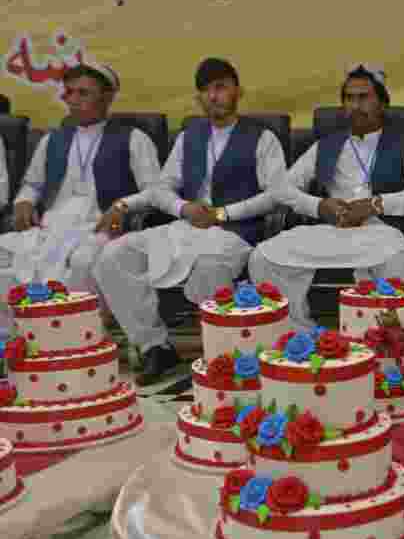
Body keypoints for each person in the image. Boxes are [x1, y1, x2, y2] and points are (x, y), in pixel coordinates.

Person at [94, 58, 287, 382]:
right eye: (205, 91)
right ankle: (155, 346)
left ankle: (223, 358)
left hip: (235, 232)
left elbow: (277, 194)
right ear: (199, 98)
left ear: (237, 91)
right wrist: (183, 208)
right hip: (184, 227)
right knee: (112, 257)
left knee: (209, 270)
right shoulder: (189, 137)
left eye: (220, 87)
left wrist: (223, 213)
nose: (213, 96)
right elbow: (161, 188)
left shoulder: (262, 138)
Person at [251, 64, 404, 330]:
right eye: (349, 99)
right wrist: (319, 206)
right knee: (264, 258)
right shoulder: (325, 146)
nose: (356, 105)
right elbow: (281, 188)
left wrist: (377, 204)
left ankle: (384, 343)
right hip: (333, 229)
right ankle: (299, 333)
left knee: (396, 262)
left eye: (364, 97)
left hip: (380, 232)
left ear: (383, 103)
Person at [0, 64, 160, 338]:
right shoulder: (52, 140)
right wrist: (24, 202)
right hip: (51, 228)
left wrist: (124, 206)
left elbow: (156, 191)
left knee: (83, 260)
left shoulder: (134, 139)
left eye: (83, 93)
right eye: (69, 93)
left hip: (99, 228)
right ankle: (12, 339)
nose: (73, 100)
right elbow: (31, 184)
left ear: (107, 97)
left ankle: (74, 340)